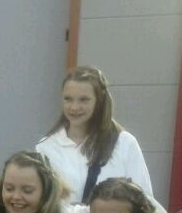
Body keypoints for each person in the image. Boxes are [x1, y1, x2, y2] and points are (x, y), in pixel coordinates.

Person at [36, 65, 152, 204]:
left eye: (84, 99)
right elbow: (42, 203)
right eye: (68, 99)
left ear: (99, 101)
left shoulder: (124, 143)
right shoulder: (46, 147)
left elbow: (145, 200)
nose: (74, 107)